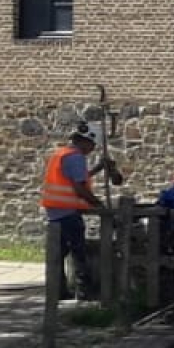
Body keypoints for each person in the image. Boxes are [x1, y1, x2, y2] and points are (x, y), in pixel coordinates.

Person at [39, 124, 117, 300]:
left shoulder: (61, 153)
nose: (92, 149)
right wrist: (98, 204)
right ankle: (84, 291)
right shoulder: (75, 157)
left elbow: (76, 177)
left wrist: (97, 169)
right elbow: (79, 187)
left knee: (59, 254)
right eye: (93, 145)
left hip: (55, 211)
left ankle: (58, 291)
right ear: (86, 142)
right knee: (78, 253)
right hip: (67, 213)